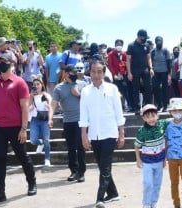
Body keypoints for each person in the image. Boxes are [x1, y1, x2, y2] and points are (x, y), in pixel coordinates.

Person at [0, 53, 37, 205]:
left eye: (3, 61)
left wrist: (23, 128)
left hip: (15, 127)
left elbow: (25, 107)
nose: (0, 64)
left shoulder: (20, 83)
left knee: (22, 156)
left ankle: (32, 183)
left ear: (11, 63)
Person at [79, 60, 125, 208]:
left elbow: (119, 113)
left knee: (105, 166)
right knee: (102, 166)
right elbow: (83, 116)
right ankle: (113, 193)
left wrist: (121, 133)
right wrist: (84, 135)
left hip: (110, 133)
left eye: (99, 71)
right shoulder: (85, 91)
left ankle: (100, 198)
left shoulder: (112, 89)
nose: (96, 74)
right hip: (94, 134)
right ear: (89, 72)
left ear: (104, 73)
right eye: (93, 71)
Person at [52, 64, 86, 183]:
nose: (74, 74)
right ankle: (74, 171)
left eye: (75, 72)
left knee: (80, 147)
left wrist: (79, 94)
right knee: (71, 148)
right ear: (65, 74)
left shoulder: (82, 84)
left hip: (81, 121)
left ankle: (81, 172)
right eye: (71, 72)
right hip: (67, 121)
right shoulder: (59, 88)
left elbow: (89, 101)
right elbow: (54, 103)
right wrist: (50, 117)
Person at [135, 104, 170, 208]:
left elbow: (174, 119)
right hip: (147, 162)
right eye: (147, 117)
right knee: (148, 183)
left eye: (153, 116)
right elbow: (137, 146)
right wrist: (138, 159)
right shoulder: (142, 131)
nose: (151, 119)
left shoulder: (162, 124)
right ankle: (146, 204)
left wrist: (165, 159)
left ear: (157, 116)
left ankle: (153, 202)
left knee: (157, 184)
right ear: (143, 118)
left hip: (159, 161)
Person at [127, 29, 154, 115]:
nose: (145, 39)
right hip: (135, 70)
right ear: (139, 36)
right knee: (135, 88)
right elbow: (128, 60)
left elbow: (149, 57)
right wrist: (129, 72)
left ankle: (148, 106)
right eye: (143, 37)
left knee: (148, 87)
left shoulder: (146, 45)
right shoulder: (131, 45)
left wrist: (151, 68)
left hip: (145, 69)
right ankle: (137, 107)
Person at [29, 75, 53, 167]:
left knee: (46, 139)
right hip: (35, 119)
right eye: (34, 84)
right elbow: (28, 107)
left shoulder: (45, 95)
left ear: (41, 85)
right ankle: (41, 143)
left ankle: (47, 159)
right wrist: (31, 96)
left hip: (44, 118)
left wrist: (50, 119)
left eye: (38, 84)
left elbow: (50, 107)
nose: (36, 86)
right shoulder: (31, 96)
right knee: (33, 140)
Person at [108, 39, 132, 111]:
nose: (119, 46)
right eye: (117, 45)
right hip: (115, 76)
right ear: (115, 45)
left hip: (123, 75)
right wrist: (114, 74)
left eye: (120, 45)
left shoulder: (124, 53)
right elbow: (110, 65)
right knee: (117, 91)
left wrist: (125, 71)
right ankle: (118, 106)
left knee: (126, 91)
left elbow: (127, 63)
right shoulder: (111, 54)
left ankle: (129, 105)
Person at [151, 36, 172, 112]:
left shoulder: (165, 50)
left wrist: (169, 74)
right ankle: (159, 105)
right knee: (156, 88)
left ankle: (165, 106)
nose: (159, 42)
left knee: (165, 89)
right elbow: (151, 61)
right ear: (155, 42)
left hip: (164, 72)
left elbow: (169, 62)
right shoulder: (153, 51)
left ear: (162, 42)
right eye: (157, 41)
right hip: (156, 72)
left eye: (160, 41)